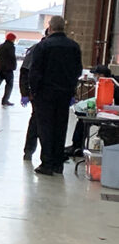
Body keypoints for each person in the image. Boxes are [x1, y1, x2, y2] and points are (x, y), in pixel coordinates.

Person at [29, 15, 82, 176]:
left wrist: (34, 91)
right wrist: (71, 88)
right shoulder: (74, 46)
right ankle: (58, 163)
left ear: (50, 28)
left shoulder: (43, 46)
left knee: (45, 128)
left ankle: (47, 163)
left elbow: (35, 71)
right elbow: (77, 70)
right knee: (60, 127)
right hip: (64, 93)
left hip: (46, 93)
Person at [65, 64, 117, 157]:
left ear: (101, 75)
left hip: (111, 114)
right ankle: (76, 146)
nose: (94, 77)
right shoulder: (104, 83)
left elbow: (108, 102)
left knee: (83, 120)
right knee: (81, 119)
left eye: (96, 75)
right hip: (106, 111)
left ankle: (77, 147)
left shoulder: (111, 85)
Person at [19, 32, 45, 161]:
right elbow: (24, 71)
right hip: (37, 93)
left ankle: (43, 154)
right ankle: (29, 151)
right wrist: (24, 93)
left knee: (39, 122)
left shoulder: (59, 49)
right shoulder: (36, 49)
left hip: (48, 92)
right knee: (36, 121)